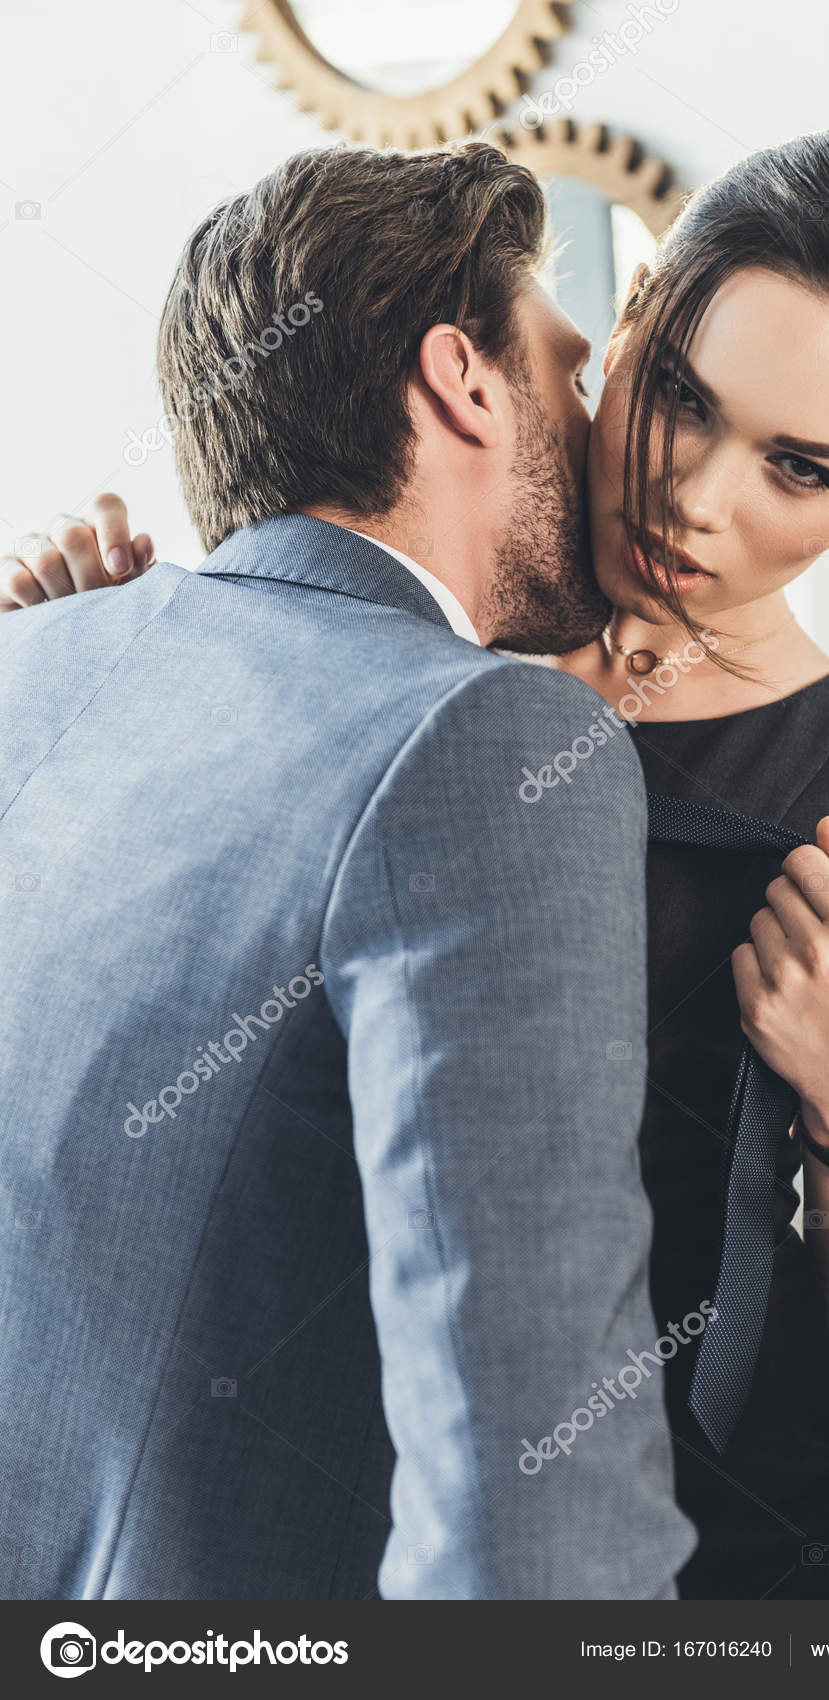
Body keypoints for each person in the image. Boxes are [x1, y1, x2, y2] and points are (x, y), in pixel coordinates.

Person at [6, 132, 829, 1603]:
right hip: (329, 1499)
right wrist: (112, 674)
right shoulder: (435, 611)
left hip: (713, 1534)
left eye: (802, 469)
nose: (695, 493)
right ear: (628, 324)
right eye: (682, 397)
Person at [0, 141, 701, 1602]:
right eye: (569, 378)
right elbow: (535, 1522)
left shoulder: (32, 657)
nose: (600, 436)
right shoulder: (482, 739)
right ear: (464, 380)